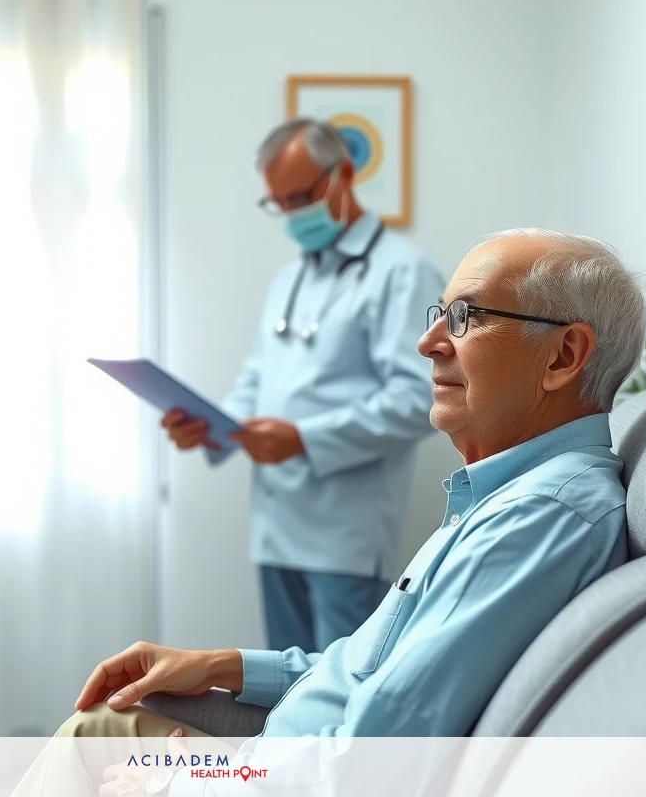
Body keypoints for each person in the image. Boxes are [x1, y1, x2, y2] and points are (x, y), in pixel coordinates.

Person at [11, 228, 646, 796]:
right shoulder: (503, 496)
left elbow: (378, 757)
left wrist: (192, 780)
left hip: (289, 768)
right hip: (286, 740)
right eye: (439, 316)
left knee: (95, 736)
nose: (428, 343)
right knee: (102, 724)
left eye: (465, 317)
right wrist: (227, 665)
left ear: (563, 356)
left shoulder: (542, 514)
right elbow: (375, 668)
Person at [163, 117, 446, 655]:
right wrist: (213, 428)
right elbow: (257, 379)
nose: (293, 214)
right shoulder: (289, 279)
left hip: (345, 535)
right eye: (280, 203)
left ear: (342, 174)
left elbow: (418, 398)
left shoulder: (403, 271)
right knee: (283, 691)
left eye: (300, 196)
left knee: (335, 695)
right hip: (275, 524)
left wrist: (303, 439)